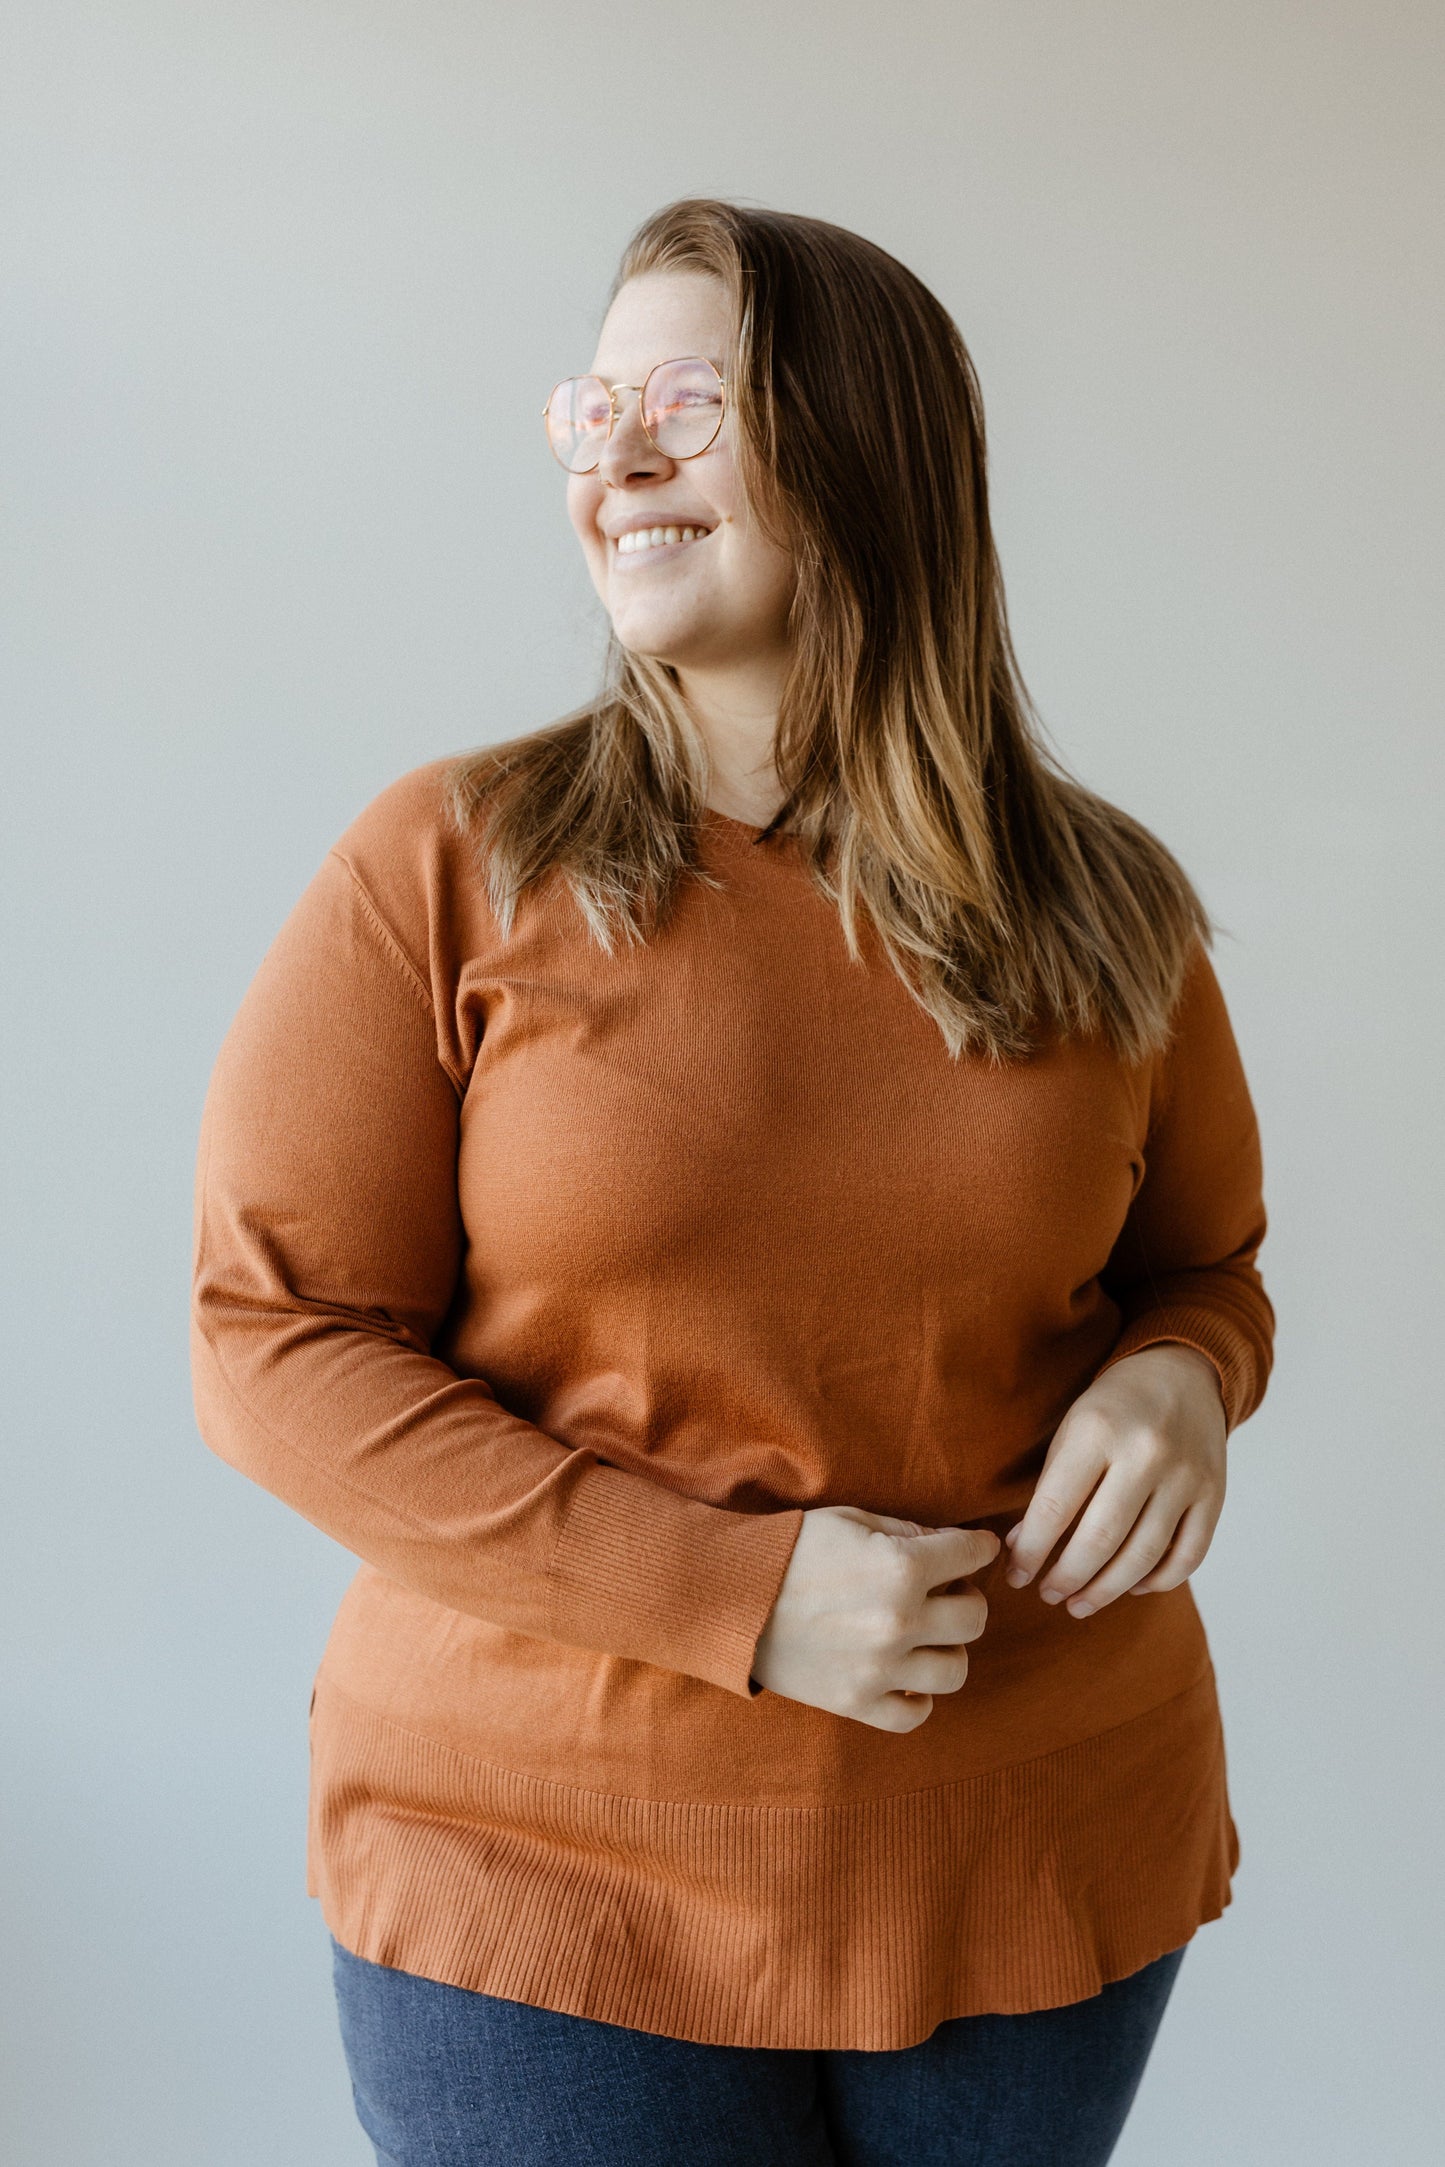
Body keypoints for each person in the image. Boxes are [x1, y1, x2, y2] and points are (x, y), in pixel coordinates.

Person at [190, 198, 1274, 2166]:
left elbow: (1210, 1263)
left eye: (684, 401)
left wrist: (1186, 1374)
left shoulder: (1109, 905)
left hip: (1035, 1836)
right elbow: (272, 1343)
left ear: (863, 439)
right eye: (591, 407)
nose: (614, 454)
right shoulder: (443, 863)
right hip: (540, 1853)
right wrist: (735, 1596)